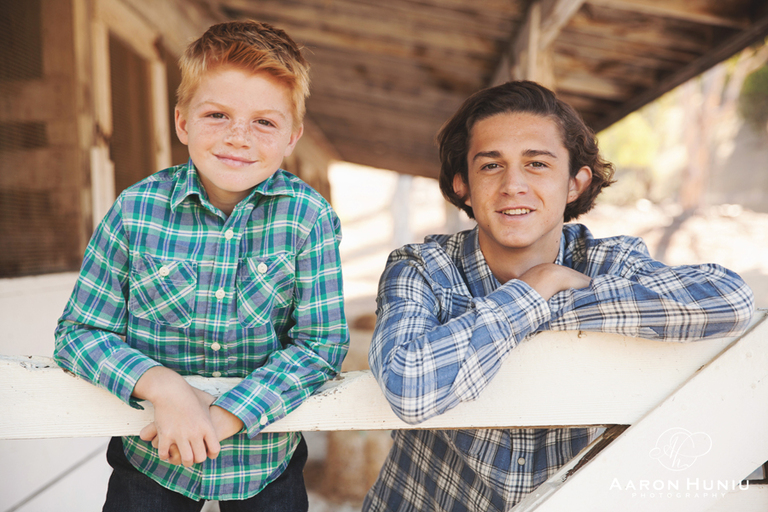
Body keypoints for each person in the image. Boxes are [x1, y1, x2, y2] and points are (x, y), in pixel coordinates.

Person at [363, 80, 754, 511]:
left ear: (575, 184)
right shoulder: (422, 269)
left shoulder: (609, 261)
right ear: (463, 186)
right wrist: (536, 288)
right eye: (491, 166)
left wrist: (537, 305)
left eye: (537, 164)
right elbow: (409, 386)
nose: (513, 184)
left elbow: (730, 300)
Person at [54, 20, 348, 511]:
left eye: (264, 122)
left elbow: (321, 345)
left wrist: (225, 415)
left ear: (292, 137)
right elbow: (79, 333)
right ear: (183, 123)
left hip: (265, 460)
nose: (239, 137)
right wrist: (166, 390)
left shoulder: (308, 217)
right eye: (217, 115)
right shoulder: (135, 208)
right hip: (151, 458)